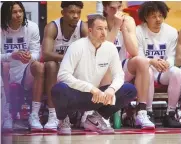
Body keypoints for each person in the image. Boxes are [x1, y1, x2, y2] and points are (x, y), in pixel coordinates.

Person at [51, 15, 137, 134]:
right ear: (90, 31)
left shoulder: (110, 48)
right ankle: (63, 119)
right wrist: (90, 88)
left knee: (129, 89)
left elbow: (119, 75)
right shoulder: (76, 47)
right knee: (59, 89)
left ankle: (95, 118)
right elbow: (63, 75)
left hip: (97, 97)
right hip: (76, 95)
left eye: (106, 29)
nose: (104, 32)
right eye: (100, 29)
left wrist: (111, 89)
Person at [101, 1, 155, 130]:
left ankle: (141, 112)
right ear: (105, 8)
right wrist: (115, 27)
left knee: (142, 61)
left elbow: (134, 52)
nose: (117, 12)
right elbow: (104, 51)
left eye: (119, 7)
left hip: (122, 67)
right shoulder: (99, 22)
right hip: (102, 68)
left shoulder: (129, 21)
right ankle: (102, 115)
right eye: (113, 8)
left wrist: (123, 29)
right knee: (106, 66)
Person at [42, 1, 88, 132]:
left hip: (75, 70)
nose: (76, 16)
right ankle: (53, 115)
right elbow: (45, 54)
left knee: (90, 65)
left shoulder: (82, 27)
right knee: (51, 65)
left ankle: (88, 114)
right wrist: (67, 58)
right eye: (71, 12)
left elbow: (90, 53)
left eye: (78, 12)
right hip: (56, 71)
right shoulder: (52, 27)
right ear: (63, 13)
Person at [136, 1, 181, 128]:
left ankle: (170, 113)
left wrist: (168, 63)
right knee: (148, 71)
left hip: (163, 70)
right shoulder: (138, 31)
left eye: (160, 16)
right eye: (154, 16)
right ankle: (148, 111)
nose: (158, 20)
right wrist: (151, 62)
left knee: (177, 72)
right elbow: (139, 55)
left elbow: (172, 55)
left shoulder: (171, 32)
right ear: (146, 17)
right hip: (147, 68)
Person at [1, 1, 44, 131]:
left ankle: (34, 115)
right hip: (5, 71)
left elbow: (37, 53)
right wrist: (10, 56)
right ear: (6, 14)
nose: (19, 15)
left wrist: (29, 57)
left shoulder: (32, 27)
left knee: (39, 66)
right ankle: (7, 114)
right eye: (14, 12)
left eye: (21, 11)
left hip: (26, 71)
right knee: (6, 65)